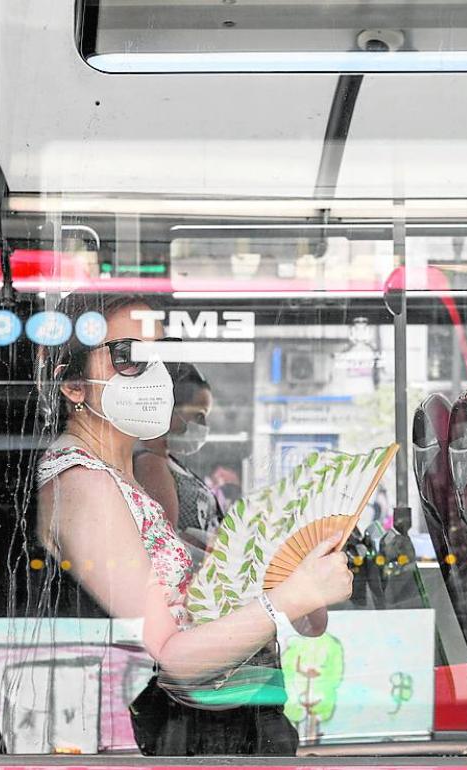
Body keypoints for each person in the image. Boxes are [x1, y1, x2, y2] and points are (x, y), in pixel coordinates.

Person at [35, 293, 353, 756]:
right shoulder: (84, 483)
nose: (156, 375)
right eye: (129, 358)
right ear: (72, 385)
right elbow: (173, 656)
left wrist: (283, 575)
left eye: (162, 355)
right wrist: (290, 597)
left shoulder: (118, 478)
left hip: (217, 724)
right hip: (169, 736)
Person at [133, 361, 224, 560]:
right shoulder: (150, 465)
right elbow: (165, 541)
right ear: (169, 409)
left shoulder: (166, 461)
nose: (204, 426)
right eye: (198, 416)